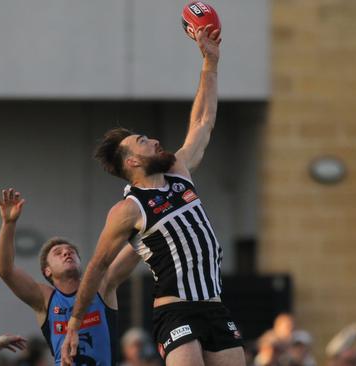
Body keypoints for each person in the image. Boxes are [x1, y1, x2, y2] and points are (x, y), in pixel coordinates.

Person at [61, 24, 243, 366]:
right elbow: (98, 267)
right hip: (176, 311)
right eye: (143, 141)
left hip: (215, 305)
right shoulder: (129, 209)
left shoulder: (177, 174)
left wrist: (210, 63)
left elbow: (203, 122)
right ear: (131, 161)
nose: (154, 141)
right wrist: (74, 324)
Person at [0, 189, 141, 366]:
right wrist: (9, 223)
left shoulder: (102, 286)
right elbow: (5, 271)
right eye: (58, 253)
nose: (66, 253)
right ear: (47, 271)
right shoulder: (45, 299)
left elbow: (138, 246)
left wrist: (144, 215)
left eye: (71, 251)